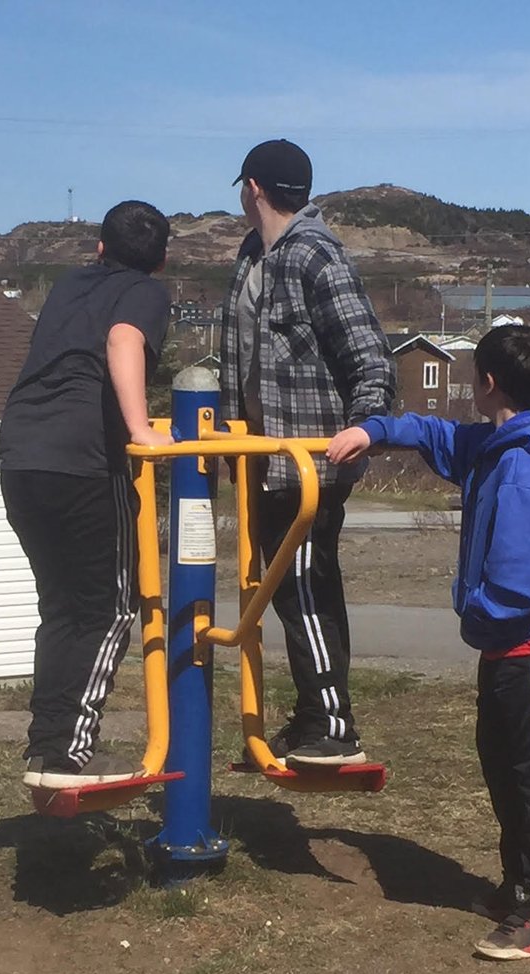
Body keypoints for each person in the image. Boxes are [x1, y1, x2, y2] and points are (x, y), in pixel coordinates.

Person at [328, 325, 530, 960]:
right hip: (503, 647)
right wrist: (374, 430)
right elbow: (436, 434)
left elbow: (520, 587)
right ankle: (517, 885)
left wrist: (470, 609)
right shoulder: (497, 443)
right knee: (502, 766)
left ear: (488, 383)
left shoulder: (524, 472)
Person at [221, 139, 395, 769]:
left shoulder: (314, 254)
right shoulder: (252, 258)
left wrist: (365, 426)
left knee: (302, 584)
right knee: (286, 587)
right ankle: (307, 717)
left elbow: (368, 355)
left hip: (311, 457)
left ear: (254, 188)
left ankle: (334, 723)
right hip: (262, 458)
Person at [0, 200, 173, 791]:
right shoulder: (145, 292)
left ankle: (48, 746)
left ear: (98, 248)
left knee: (63, 608)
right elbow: (123, 343)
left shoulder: (71, 283)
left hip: (22, 455)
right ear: (162, 259)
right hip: (85, 462)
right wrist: (140, 429)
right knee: (109, 608)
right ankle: (69, 753)